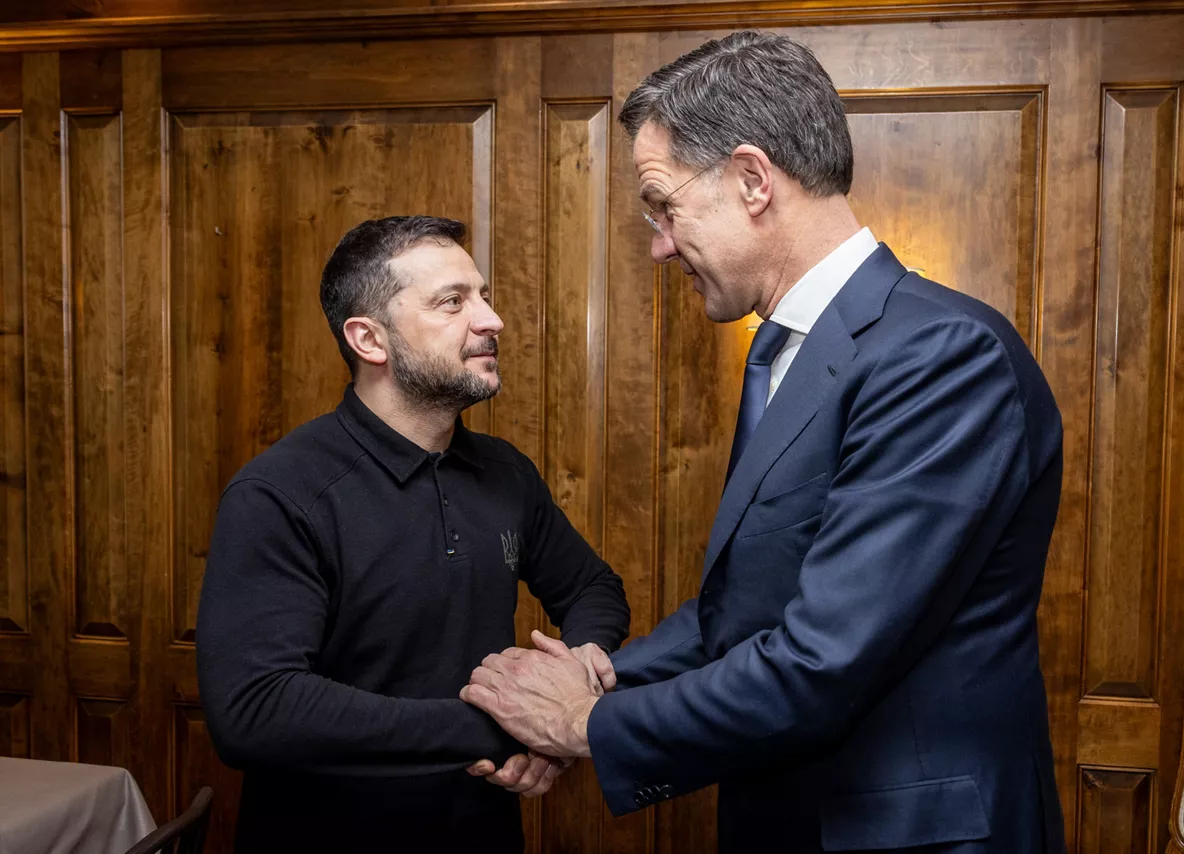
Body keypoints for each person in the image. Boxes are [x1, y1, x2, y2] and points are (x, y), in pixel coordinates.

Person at [460, 32, 1067, 854]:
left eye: (665, 205)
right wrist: (603, 674)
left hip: (907, 833)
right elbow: (746, 612)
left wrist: (587, 721)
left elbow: (825, 659)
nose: (659, 244)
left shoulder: (941, 355)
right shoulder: (792, 348)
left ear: (752, 179)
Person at [196, 215, 630, 853]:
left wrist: (574, 674)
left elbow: (593, 587)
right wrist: (502, 728)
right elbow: (255, 710)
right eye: (452, 302)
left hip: (482, 831)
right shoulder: (279, 495)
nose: (490, 320)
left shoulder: (505, 472)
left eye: (481, 295)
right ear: (370, 339)